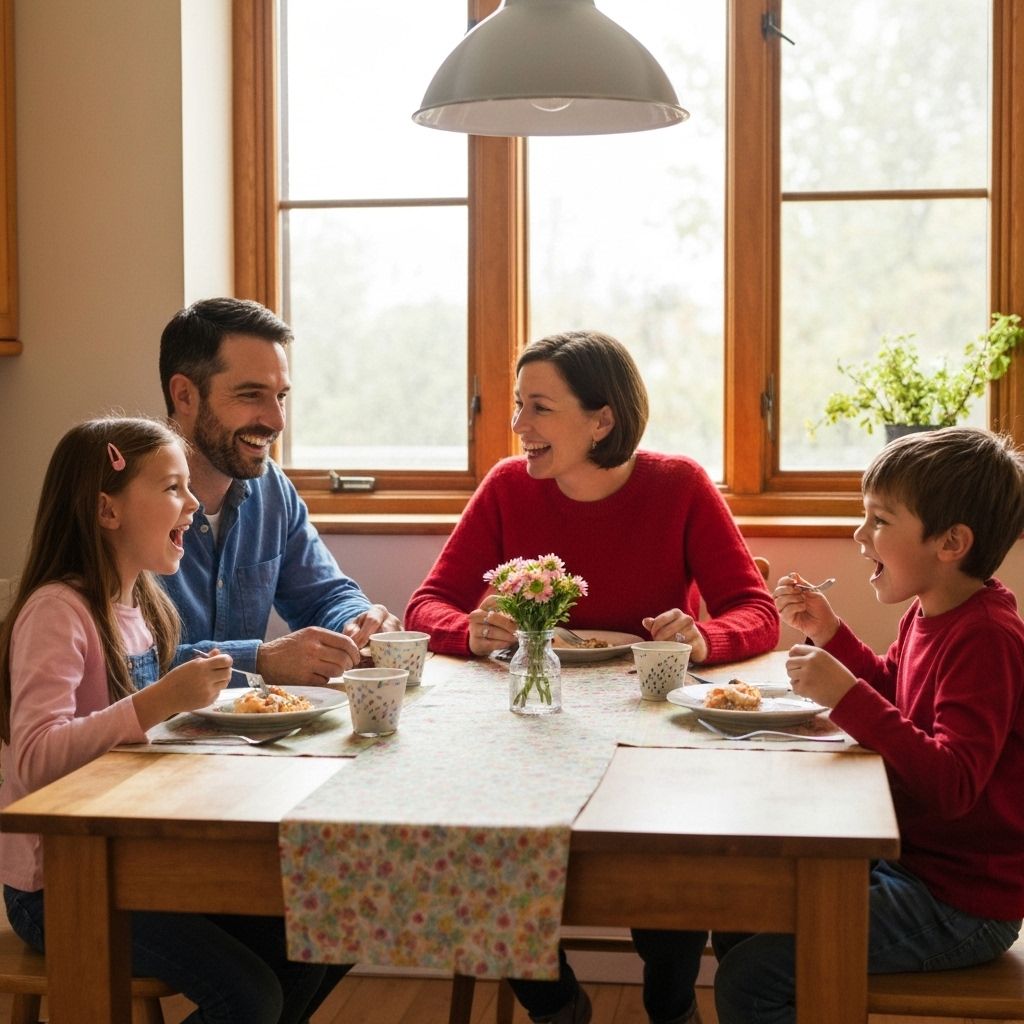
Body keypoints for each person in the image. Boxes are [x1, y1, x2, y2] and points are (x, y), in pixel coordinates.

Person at [407, 329, 780, 1024]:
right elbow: (428, 605)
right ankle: (555, 1002)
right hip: (529, 729)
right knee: (479, 836)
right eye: (519, 406)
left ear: (601, 419)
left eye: (539, 408)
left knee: (669, 845)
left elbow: (755, 610)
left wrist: (704, 639)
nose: (518, 426)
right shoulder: (506, 488)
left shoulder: (679, 486)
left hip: (652, 731)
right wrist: (470, 629)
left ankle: (670, 1006)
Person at [0, 417, 329, 1024]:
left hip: (131, 855)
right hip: (63, 883)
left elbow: (137, 728)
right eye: (174, 488)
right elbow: (35, 758)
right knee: (250, 997)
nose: (194, 503)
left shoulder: (141, 604)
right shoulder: (57, 612)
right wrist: (156, 703)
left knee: (324, 933)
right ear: (107, 510)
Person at [713, 426, 1024, 1024]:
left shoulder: (986, 637)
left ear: (951, 542)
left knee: (749, 981)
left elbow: (953, 783)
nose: (860, 536)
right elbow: (897, 693)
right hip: (912, 865)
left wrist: (848, 696)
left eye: (879, 520)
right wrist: (831, 633)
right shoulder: (932, 610)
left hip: (959, 904)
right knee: (742, 910)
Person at [158, 297, 402, 687]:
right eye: (251, 395)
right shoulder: (123, 502)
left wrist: (357, 621)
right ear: (185, 395)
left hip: (245, 740)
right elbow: (123, 663)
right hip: (145, 743)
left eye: (281, 396)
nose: (276, 420)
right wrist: (258, 660)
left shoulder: (271, 488)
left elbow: (323, 596)